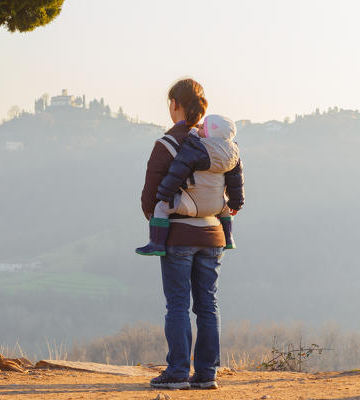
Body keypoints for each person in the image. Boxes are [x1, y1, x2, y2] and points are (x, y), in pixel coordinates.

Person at [140, 78, 245, 390]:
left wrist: (159, 222)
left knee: (177, 305)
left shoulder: (168, 144)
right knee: (208, 305)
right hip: (214, 234)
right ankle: (207, 373)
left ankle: (176, 372)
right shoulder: (220, 145)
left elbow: (150, 196)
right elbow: (233, 187)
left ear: (175, 104)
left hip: (179, 235)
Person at [135, 114, 244, 256]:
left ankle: (156, 244)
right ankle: (228, 238)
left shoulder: (195, 149)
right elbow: (236, 181)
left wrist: (165, 194)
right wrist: (236, 203)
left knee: (161, 208)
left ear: (211, 132)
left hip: (192, 205)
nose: (199, 127)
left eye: (203, 127)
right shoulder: (233, 154)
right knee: (226, 208)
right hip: (217, 206)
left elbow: (177, 173)